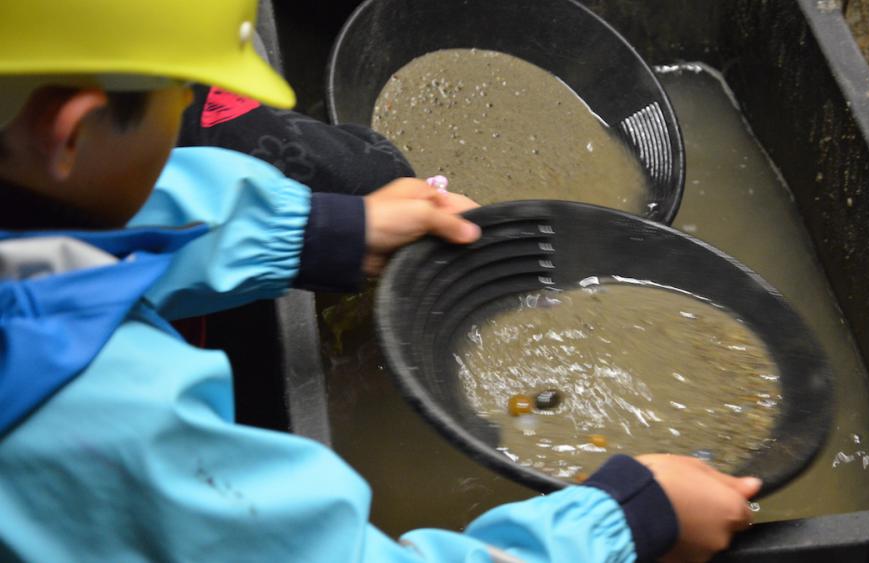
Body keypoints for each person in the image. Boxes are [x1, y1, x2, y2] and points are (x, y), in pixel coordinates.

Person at [0, 1, 760, 562]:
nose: (188, 124)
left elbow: (77, 219)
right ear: (72, 132)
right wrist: (625, 520)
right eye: (181, 103)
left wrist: (319, 231)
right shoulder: (109, 415)